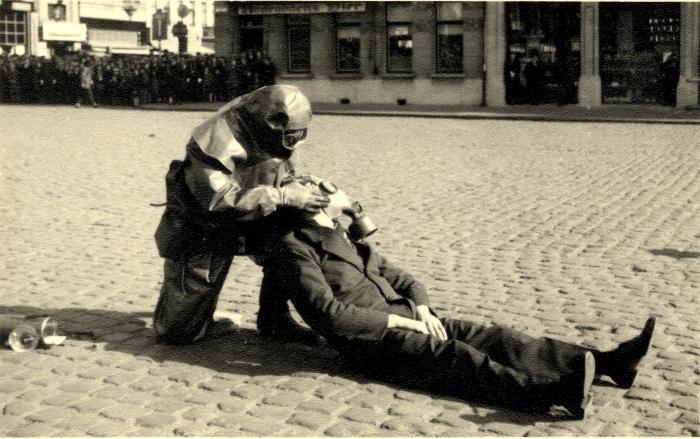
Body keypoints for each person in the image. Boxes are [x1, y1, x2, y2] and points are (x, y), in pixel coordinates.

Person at [261, 180, 657, 419]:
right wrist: (401, 323)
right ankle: (552, 392)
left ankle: (609, 362)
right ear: (311, 204)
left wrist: (420, 308)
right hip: (372, 341)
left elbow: (405, 279)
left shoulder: (347, 238)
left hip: (408, 317)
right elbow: (329, 316)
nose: (336, 193)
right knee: (459, 358)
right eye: (325, 190)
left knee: (495, 337)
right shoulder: (295, 247)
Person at [153, 84, 330, 345]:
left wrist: (296, 188)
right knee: (177, 332)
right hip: (206, 226)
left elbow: (282, 169)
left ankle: (275, 321)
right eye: (289, 136)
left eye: (296, 137)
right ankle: (189, 315)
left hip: (257, 213)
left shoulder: (278, 134)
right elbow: (216, 199)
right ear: (270, 123)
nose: (292, 143)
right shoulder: (214, 139)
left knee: (290, 247)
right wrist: (280, 196)